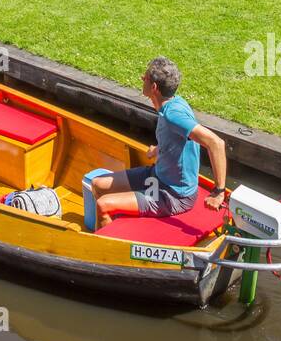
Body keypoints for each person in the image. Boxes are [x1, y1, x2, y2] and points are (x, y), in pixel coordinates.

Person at [91, 56, 226, 229]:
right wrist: (159, 149)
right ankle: (112, 231)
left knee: (103, 206)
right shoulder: (173, 105)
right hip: (157, 177)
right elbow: (178, 139)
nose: (142, 78)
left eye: (145, 77)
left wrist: (219, 192)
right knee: (97, 184)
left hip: (173, 195)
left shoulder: (173, 115)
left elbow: (216, 143)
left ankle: (104, 251)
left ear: (154, 87)